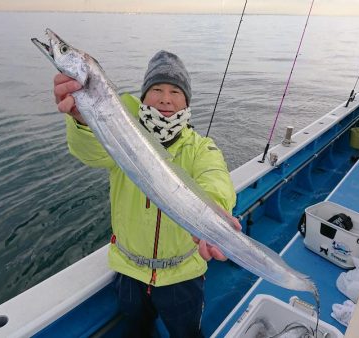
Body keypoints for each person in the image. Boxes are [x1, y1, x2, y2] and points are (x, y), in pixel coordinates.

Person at [53, 50, 240, 338]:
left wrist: (213, 211)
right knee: (138, 332)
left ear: (186, 101)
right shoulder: (120, 137)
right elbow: (89, 152)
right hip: (129, 272)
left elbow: (215, 180)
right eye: (157, 89)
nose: (165, 98)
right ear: (143, 97)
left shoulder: (201, 147)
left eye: (175, 91)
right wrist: (84, 120)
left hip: (183, 277)